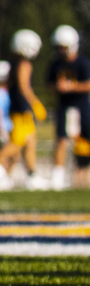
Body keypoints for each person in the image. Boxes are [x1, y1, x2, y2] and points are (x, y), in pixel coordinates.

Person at [1, 29, 49, 188]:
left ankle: (31, 175)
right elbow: (24, 86)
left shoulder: (12, 64)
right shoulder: (24, 63)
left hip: (16, 109)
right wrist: (36, 104)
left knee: (29, 143)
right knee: (15, 145)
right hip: (21, 109)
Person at [48, 26, 90, 191]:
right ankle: (57, 177)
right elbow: (49, 84)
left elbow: (88, 84)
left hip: (81, 105)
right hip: (63, 106)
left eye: (63, 47)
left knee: (85, 138)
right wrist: (58, 87)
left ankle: (82, 174)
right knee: (61, 139)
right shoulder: (55, 64)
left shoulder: (82, 63)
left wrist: (72, 86)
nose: (61, 50)